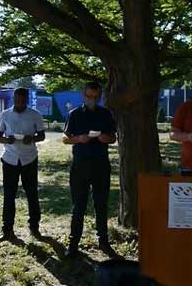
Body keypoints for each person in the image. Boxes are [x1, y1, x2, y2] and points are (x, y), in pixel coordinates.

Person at [62, 82, 117, 258]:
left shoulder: (106, 114)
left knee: (101, 205)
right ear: (83, 95)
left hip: (101, 165)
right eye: (89, 96)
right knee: (79, 206)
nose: (92, 100)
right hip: (80, 165)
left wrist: (105, 138)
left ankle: (103, 241)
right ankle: (73, 243)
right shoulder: (75, 114)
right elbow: (65, 138)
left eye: (96, 97)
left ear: (100, 97)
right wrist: (78, 139)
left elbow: (113, 137)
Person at [0, 88, 46, 241]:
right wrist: (7, 140)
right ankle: (7, 229)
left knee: (32, 193)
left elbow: (42, 135)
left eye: (23, 101)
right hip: (9, 158)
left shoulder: (35, 115)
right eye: (17, 100)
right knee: (9, 195)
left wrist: (32, 139)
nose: (20, 103)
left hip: (29, 158)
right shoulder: (5, 114)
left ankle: (34, 226)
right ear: (13, 98)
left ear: (27, 100)